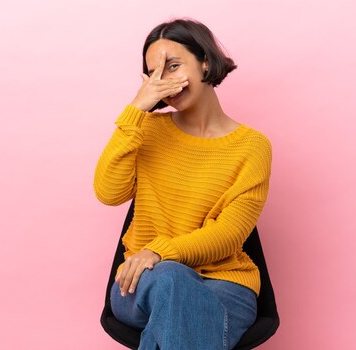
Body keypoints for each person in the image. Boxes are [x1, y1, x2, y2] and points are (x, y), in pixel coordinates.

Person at [93, 18, 272, 350]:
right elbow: (108, 192)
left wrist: (160, 252)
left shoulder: (252, 146)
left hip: (225, 285)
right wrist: (136, 110)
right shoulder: (146, 130)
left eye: (173, 66)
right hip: (142, 283)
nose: (166, 82)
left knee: (176, 315)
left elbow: (230, 234)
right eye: (155, 74)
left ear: (205, 60)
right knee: (172, 282)